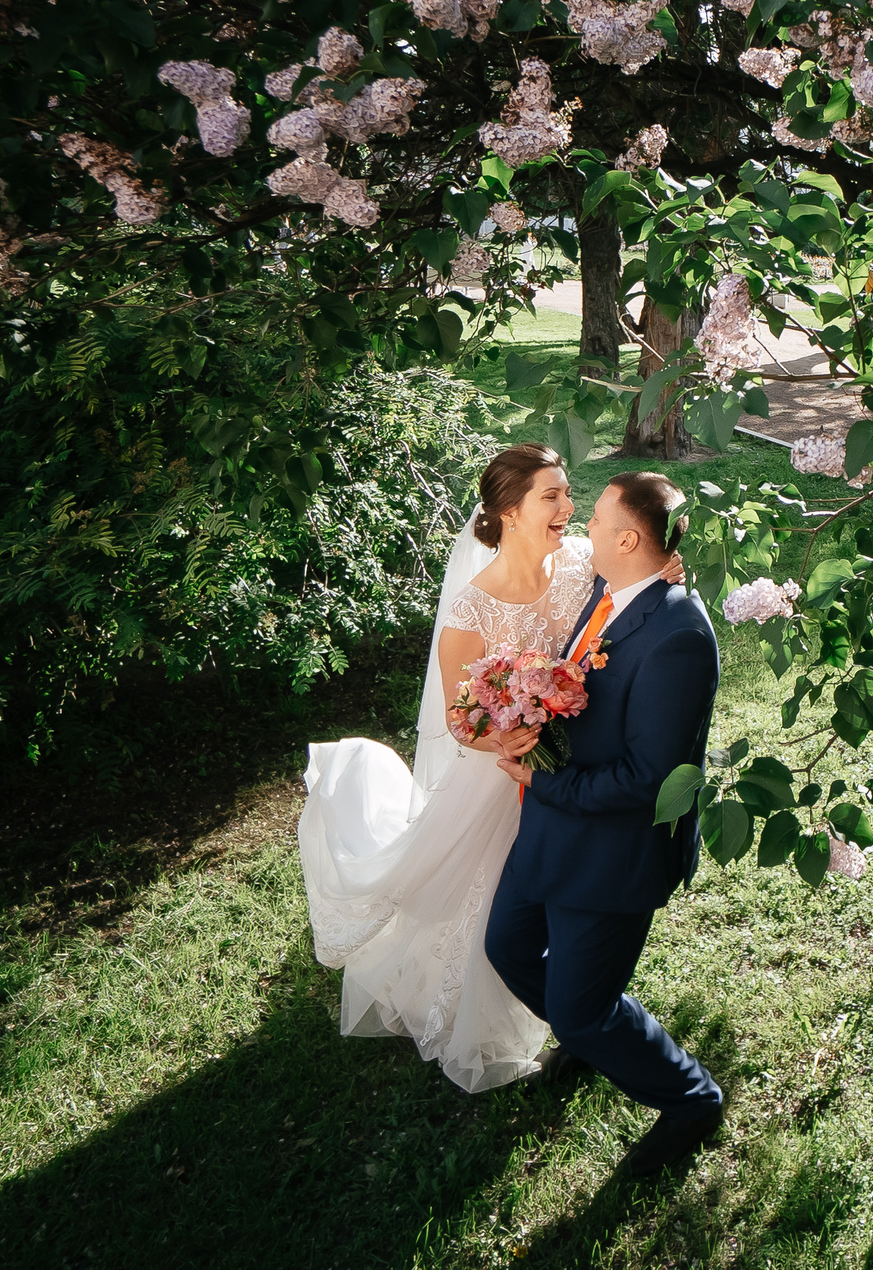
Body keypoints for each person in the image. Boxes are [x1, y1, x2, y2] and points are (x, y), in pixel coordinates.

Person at [294, 445, 682, 1092]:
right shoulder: (471, 609)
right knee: (494, 926)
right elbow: (459, 718)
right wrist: (510, 732)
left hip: (580, 771)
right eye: (552, 496)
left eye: (568, 493)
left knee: (567, 914)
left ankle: (585, 1020)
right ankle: (567, 1020)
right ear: (509, 512)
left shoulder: (582, 564)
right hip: (503, 778)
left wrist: (665, 569)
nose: (569, 507)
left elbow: (630, 592)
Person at [482, 470, 726, 1180]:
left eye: (595, 518)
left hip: (612, 851)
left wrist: (542, 779)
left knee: (580, 1009)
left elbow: (649, 779)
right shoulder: (608, 585)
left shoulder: (679, 637)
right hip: (555, 827)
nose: (583, 525)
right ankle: (590, 1034)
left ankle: (691, 1100)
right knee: (507, 946)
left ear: (626, 540)